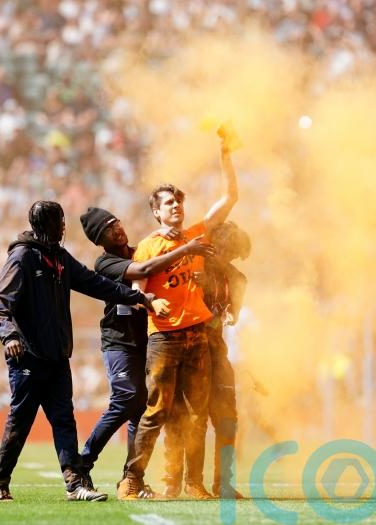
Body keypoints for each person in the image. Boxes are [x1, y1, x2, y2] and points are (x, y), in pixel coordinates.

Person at [0, 200, 165, 503]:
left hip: (57, 357)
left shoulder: (59, 258)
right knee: (21, 420)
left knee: (64, 420)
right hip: (27, 357)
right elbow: (0, 303)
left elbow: (97, 284)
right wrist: (9, 336)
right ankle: (1, 481)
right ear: (45, 226)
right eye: (58, 223)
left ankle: (75, 483)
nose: (63, 228)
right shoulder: (22, 258)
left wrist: (138, 297)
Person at [117, 127, 239, 500]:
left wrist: (225, 154)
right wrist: (152, 302)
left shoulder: (195, 236)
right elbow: (137, 289)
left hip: (197, 337)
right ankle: (132, 480)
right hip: (164, 339)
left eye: (179, 203)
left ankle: (193, 483)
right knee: (155, 413)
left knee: (197, 416)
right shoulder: (149, 246)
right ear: (156, 211)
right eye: (168, 203)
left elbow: (230, 197)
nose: (176, 207)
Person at [78, 206, 215, 492]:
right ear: (99, 239)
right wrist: (183, 248)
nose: (117, 229)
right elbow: (143, 270)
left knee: (142, 409)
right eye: (107, 229)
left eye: (116, 222)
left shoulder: (143, 247)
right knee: (127, 399)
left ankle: (131, 479)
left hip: (149, 339)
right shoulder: (105, 263)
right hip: (120, 341)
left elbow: (154, 257)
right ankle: (82, 465)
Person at [163, 221, 251, 499]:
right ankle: (176, 481)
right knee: (186, 418)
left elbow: (231, 315)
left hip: (216, 352)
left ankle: (223, 483)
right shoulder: (192, 266)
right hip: (186, 351)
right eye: (228, 250)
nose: (230, 257)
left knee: (227, 418)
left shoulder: (238, 279)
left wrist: (225, 315)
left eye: (235, 254)